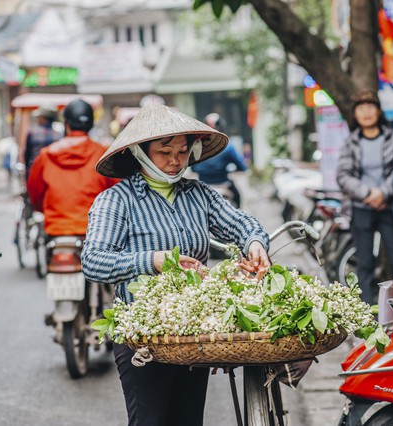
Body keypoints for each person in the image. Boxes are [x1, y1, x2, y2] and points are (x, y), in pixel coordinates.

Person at [80, 103, 271, 426]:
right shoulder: (117, 200)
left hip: (192, 335)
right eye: (164, 151)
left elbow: (241, 224)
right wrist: (153, 261)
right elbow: (94, 261)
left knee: (188, 419)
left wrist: (254, 244)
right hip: (143, 336)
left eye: (182, 151)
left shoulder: (198, 195)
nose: (175, 160)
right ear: (140, 154)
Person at [336, 88, 393, 305]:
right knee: (364, 263)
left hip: (387, 206)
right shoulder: (351, 142)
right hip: (361, 207)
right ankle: (366, 314)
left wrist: (383, 193)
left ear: (378, 111)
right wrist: (367, 193)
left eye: (370, 107)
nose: (366, 113)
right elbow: (343, 175)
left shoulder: (392, 138)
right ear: (355, 114)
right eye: (361, 109)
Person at [26, 99, 119, 238]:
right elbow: (117, 193)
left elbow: (34, 192)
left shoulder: (46, 155)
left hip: (56, 229)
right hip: (96, 230)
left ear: (66, 124)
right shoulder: (104, 154)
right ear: (91, 124)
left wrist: (45, 210)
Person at [191, 113, 247, 207]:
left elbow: (194, 168)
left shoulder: (197, 147)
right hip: (223, 184)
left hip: (203, 185)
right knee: (237, 198)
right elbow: (242, 166)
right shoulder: (228, 147)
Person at [23, 105, 63, 176]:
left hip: (36, 172)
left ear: (43, 118)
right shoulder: (59, 136)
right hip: (54, 173)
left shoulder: (32, 133)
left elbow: (27, 155)